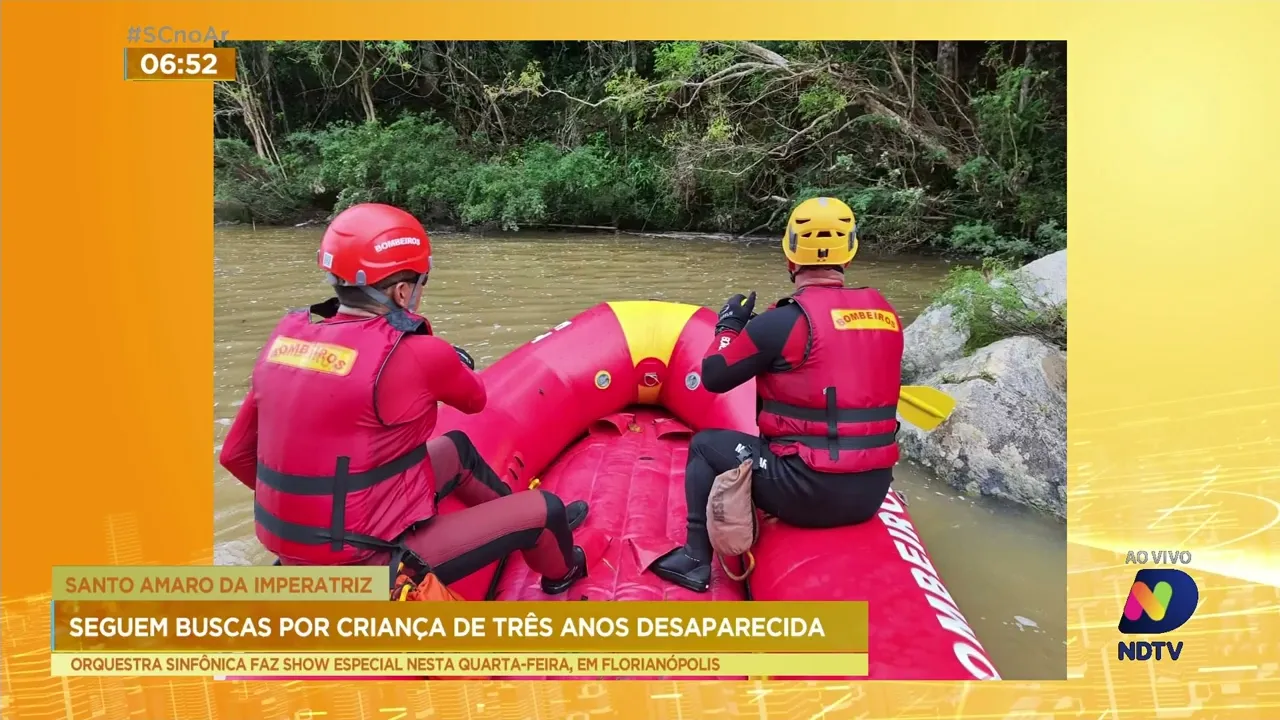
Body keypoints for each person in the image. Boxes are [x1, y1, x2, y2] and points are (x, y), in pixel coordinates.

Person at [219, 203, 591, 595]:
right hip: (371, 560)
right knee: (547, 510)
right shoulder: (419, 353)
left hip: (309, 546)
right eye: (420, 282)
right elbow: (474, 398)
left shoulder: (283, 344)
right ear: (401, 291)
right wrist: (445, 357)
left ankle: (503, 520)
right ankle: (562, 572)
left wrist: (311, 515)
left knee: (457, 449)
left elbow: (235, 456)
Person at [651, 197, 904, 593]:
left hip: (807, 490)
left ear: (790, 257)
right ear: (849, 256)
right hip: (872, 491)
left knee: (704, 446)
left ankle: (696, 560)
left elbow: (714, 375)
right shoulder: (886, 316)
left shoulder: (780, 323)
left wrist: (730, 326)